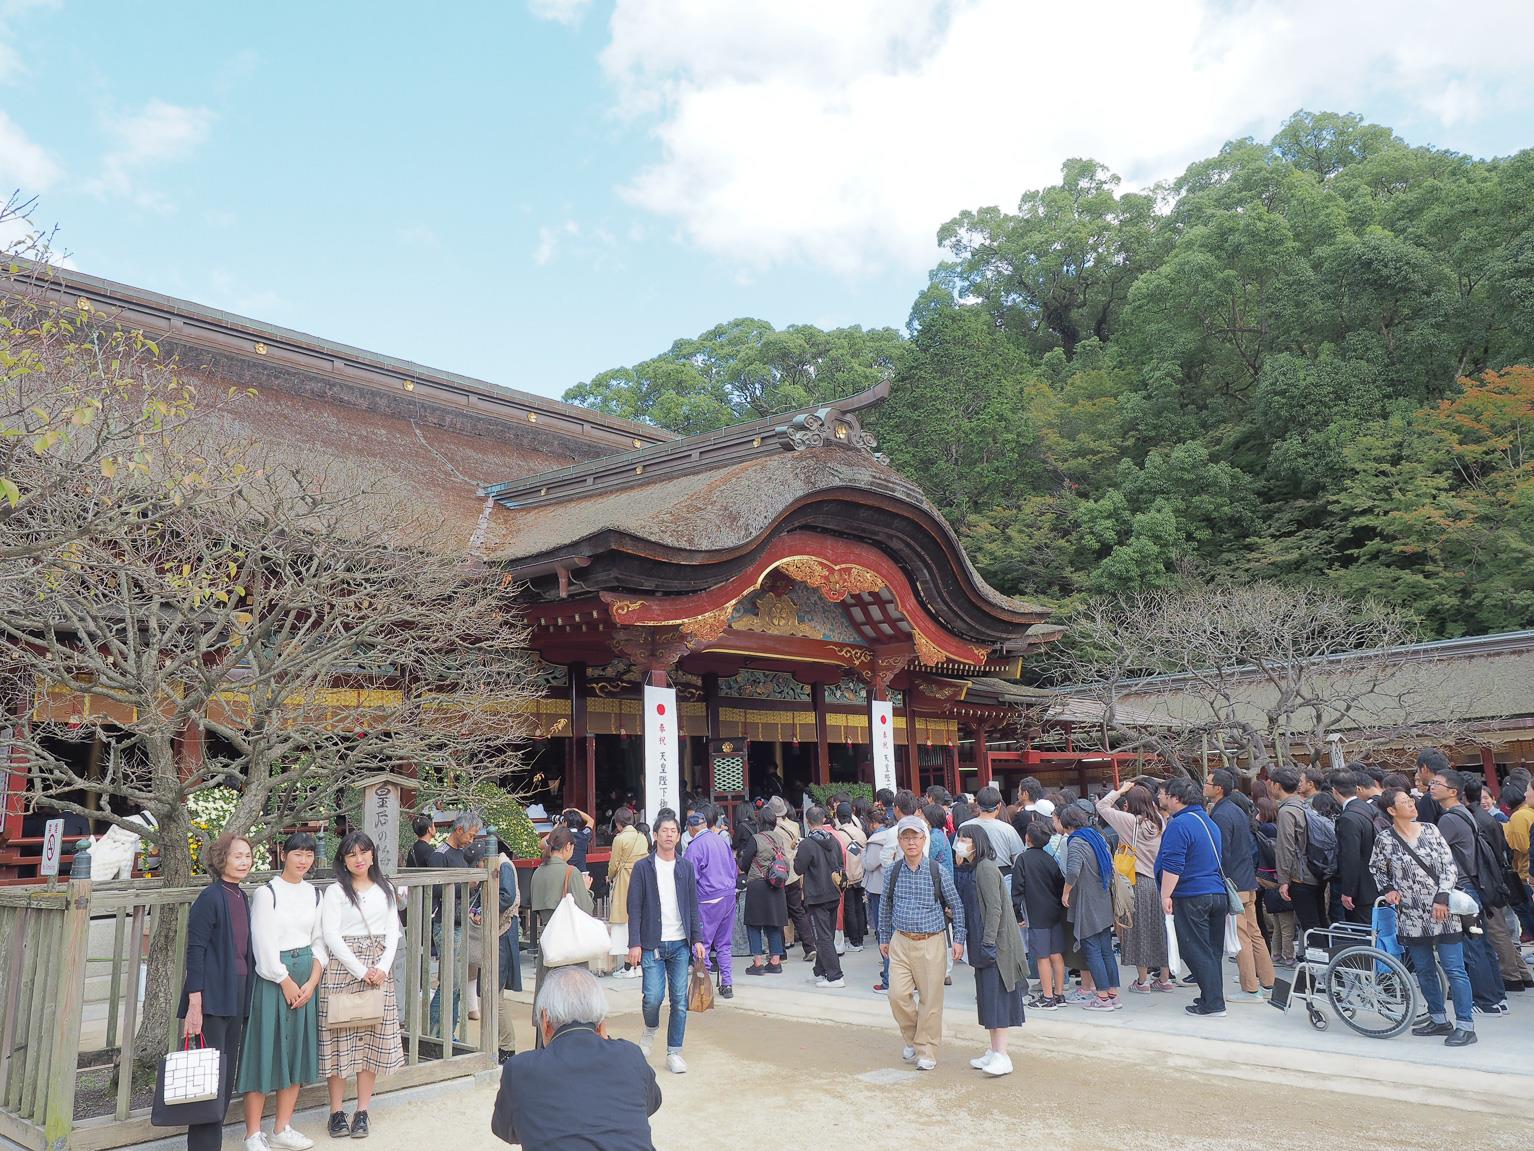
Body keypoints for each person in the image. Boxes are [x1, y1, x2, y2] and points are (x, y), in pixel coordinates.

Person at [491, 965, 660, 1151]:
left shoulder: (520, 1069)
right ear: (601, 1021)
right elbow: (649, 1104)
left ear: (545, 1019)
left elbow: (505, 1130)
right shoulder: (630, 1055)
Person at [238, 832, 327, 1151]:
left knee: (296, 1052)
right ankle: (252, 1133)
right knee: (264, 1048)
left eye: (309, 855)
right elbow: (262, 943)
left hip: (306, 974)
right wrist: (283, 979)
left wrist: (312, 980)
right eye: (297, 854)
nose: (303, 860)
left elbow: (319, 941)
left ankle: (282, 1127)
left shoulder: (315, 894)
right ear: (284, 854)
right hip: (273, 977)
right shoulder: (267, 893)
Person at [1369, 787, 1476, 1046]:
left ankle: (1466, 1025)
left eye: (1411, 800)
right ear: (1391, 810)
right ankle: (1439, 1019)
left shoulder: (1431, 830)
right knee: (1425, 970)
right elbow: (1377, 868)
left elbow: (1449, 866)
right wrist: (1388, 889)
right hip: (1411, 916)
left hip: (1443, 912)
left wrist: (1442, 897)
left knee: (1454, 969)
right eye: (1404, 802)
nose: (1411, 804)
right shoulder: (1385, 839)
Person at [319, 832, 404, 1139]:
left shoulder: (386, 888)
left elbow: (393, 932)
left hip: (378, 968)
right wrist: (360, 970)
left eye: (364, 852)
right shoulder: (335, 891)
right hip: (344, 969)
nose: (359, 859)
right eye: (352, 854)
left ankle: (362, 1111)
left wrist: (382, 967)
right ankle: (336, 1112)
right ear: (343, 860)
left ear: (372, 855)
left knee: (370, 1042)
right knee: (340, 1041)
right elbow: (331, 934)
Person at [176, 833, 256, 1151]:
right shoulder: (210, 897)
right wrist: (194, 1003)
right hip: (211, 996)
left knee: (225, 1076)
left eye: (247, 856)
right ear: (222, 859)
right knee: (208, 1078)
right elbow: (195, 950)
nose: (244, 861)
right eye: (237, 856)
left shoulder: (241, 896)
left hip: (237, 991)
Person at [879, 816, 965, 1071]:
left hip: (931, 941)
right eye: (906, 837)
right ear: (899, 841)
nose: (911, 842)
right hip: (900, 940)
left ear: (924, 839)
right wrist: (884, 937)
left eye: (915, 837)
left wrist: (959, 939)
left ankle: (926, 1050)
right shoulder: (892, 872)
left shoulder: (938, 871)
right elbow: (885, 905)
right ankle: (914, 1038)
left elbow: (956, 905)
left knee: (930, 1000)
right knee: (897, 995)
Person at [627, 809, 706, 1074]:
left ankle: (674, 1051)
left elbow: (692, 906)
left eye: (673, 831)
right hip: (652, 942)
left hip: (681, 942)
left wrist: (697, 938)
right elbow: (634, 907)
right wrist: (634, 943)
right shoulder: (643, 867)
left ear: (679, 835)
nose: (669, 835)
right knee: (652, 997)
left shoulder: (685, 867)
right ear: (655, 835)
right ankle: (650, 1028)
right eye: (664, 831)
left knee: (679, 1001)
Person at [1431, 769, 1510, 1014]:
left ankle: (1486, 1001)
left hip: (1462, 889)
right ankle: (1497, 997)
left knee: (1472, 946)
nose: (1432, 786)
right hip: (1474, 887)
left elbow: (1435, 855)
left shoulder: (1448, 819)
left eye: (1438, 784)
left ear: (1453, 791)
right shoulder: (1464, 813)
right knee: (1481, 943)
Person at [955, 826, 1026, 1076]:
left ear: (977, 843)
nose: (960, 843)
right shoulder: (975, 868)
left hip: (995, 945)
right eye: (959, 838)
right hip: (983, 943)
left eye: (965, 839)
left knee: (997, 997)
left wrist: (988, 942)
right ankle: (995, 1050)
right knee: (988, 996)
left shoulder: (985, 869)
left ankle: (1002, 1054)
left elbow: (994, 909)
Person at [1156, 777, 1228, 1018]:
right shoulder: (1208, 821)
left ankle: (1213, 1003)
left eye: (1166, 795)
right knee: (1212, 951)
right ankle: (1212, 997)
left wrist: (1165, 895)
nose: (1162, 798)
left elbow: (1173, 865)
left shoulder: (1179, 824)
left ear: (1176, 798)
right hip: (1217, 893)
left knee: (1194, 949)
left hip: (1192, 894)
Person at [1095, 782, 1172, 993]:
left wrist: (1120, 791)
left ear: (1130, 803)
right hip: (1158, 882)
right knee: (1160, 930)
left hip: (1136, 882)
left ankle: (1142, 981)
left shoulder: (1129, 821)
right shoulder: (1160, 822)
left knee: (1138, 931)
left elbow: (1101, 806)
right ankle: (1164, 979)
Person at [1206, 770, 1271, 1003]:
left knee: (1241, 935)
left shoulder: (1221, 814)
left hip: (1234, 883)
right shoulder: (1237, 810)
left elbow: (1221, 853)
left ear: (1218, 789)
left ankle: (1250, 988)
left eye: (1208, 782)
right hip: (1246, 879)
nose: (1205, 786)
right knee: (1254, 933)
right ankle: (1268, 982)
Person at [530, 826, 595, 1048]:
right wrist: (587, 890)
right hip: (568, 942)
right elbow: (586, 909)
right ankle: (572, 1046)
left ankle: (544, 1044)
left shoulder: (538, 872)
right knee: (573, 998)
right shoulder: (571, 872)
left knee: (547, 995)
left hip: (547, 940)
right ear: (568, 847)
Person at [1059, 803, 1120, 1012]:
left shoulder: (1076, 841)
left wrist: (1066, 892)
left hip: (1088, 902)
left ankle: (1102, 998)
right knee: (1106, 949)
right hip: (1103, 897)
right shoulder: (1097, 837)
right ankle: (1112, 994)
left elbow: (1073, 871)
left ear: (1067, 824)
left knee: (1092, 949)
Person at [430, 812, 484, 1035]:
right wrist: (465, 883)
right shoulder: (440, 854)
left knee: (456, 982)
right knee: (451, 982)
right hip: (445, 921)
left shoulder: (460, 854)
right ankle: (437, 1032)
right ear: (459, 830)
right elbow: (434, 889)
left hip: (459, 920)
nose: (471, 840)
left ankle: (446, 1032)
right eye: (470, 835)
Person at [684, 804, 739, 998]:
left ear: (691, 829)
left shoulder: (694, 847)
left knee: (702, 945)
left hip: (708, 900)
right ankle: (727, 984)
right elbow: (733, 869)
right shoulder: (721, 841)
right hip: (728, 896)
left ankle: (702, 989)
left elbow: (690, 879)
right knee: (724, 944)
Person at [793, 805, 846, 988]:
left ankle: (835, 976)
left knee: (822, 938)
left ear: (808, 822)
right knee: (827, 935)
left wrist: (797, 852)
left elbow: (798, 868)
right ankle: (819, 971)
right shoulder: (834, 839)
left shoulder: (807, 844)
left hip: (817, 895)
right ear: (823, 820)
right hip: (834, 892)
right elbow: (841, 863)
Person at [1015, 821, 1066, 1009]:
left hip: (1036, 913)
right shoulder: (1050, 859)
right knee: (1056, 954)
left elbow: (1017, 889)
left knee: (1042, 956)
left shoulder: (1022, 859)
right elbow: (1060, 885)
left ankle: (1047, 997)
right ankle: (1059, 994)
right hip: (1054, 912)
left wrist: (1018, 914)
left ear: (1027, 838)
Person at [1273, 766, 1326, 944]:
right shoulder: (1305, 805)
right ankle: (1331, 957)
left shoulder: (1286, 811)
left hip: (1300, 875)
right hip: (1316, 869)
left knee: (1310, 926)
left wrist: (1283, 880)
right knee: (1320, 921)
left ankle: (1321, 959)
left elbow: (1285, 847)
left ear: (1277, 785)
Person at [766, 796, 815, 962]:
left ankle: (780, 952)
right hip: (793, 873)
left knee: (778, 915)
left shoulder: (772, 829)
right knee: (798, 912)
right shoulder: (794, 825)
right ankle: (810, 947)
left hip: (778, 875)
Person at [740, 810, 788, 976]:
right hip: (776, 884)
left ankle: (758, 963)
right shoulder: (779, 838)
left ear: (759, 822)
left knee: (754, 924)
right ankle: (775, 962)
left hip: (758, 885)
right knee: (773, 923)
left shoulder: (756, 839)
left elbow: (744, 863)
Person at [1332, 768, 1380, 926]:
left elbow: (1350, 857)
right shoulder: (1369, 808)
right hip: (1377, 882)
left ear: (1334, 791)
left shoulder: (1348, 818)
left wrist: (1348, 891)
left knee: (1364, 932)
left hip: (1362, 890)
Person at [606, 807, 648, 980]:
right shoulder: (642, 837)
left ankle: (628, 965)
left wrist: (610, 877)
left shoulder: (619, 839)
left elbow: (614, 864)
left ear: (618, 824)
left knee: (623, 920)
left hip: (625, 879)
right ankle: (639, 964)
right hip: (641, 879)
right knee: (639, 919)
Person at [1253, 795, 1294, 966]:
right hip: (1280, 879)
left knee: (1278, 923)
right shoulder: (1274, 828)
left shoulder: (1262, 829)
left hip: (1267, 880)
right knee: (1286, 924)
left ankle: (1276, 954)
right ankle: (1288, 956)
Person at [864, 810, 897, 992]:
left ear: (872, 823)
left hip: (878, 889)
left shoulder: (875, 840)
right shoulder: (895, 834)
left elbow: (869, 863)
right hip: (894, 887)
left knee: (884, 932)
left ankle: (888, 978)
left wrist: (862, 854)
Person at [832, 802, 869, 952]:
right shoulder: (860, 833)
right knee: (859, 907)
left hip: (846, 876)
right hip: (860, 874)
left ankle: (854, 941)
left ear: (838, 817)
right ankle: (860, 939)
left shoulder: (838, 835)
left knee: (849, 908)